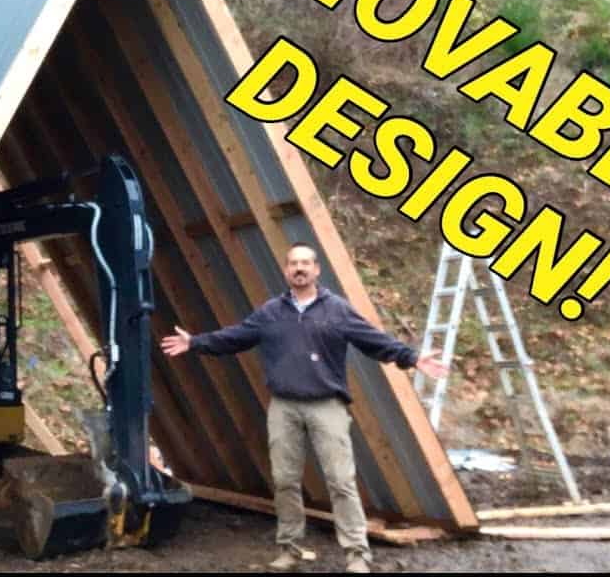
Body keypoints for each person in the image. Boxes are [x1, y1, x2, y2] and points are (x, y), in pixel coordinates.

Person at [160, 242, 449, 574]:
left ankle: (357, 554)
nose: (299, 268)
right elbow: (235, 337)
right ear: (285, 271)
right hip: (284, 408)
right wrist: (195, 342)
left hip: (327, 406)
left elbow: (374, 340)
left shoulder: (337, 310)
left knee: (340, 481)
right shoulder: (270, 312)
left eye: (305, 263)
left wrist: (411, 357)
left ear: (316, 270)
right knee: (284, 481)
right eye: (293, 263)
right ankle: (290, 550)